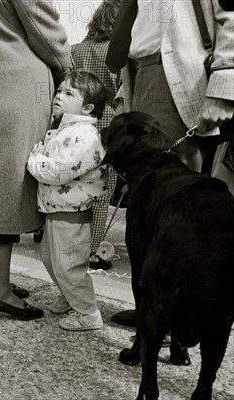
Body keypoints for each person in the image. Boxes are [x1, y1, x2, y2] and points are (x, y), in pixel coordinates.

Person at [106, 0, 234, 327]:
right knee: (145, 213)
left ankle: (173, 316)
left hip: (178, 76)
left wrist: (224, 83)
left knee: (176, 214)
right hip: (143, 72)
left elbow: (228, 14)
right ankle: (154, 309)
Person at [0, 0, 71, 320]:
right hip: (13, 85)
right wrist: (69, 69)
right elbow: (42, 25)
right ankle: (1, 292)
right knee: (6, 188)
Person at [28, 71, 109, 331]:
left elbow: (58, 171)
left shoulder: (83, 135)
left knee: (69, 265)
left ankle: (88, 314)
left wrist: (34, 160)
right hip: (58, 210)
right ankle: (70, 294)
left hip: (72, 213)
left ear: (87, 107)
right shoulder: (66, 129)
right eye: (59, 90)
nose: (59, 96)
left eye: (68, 93)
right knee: (52, 259)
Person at [71, 0, 122, 270]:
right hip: (108, 123)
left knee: (77, 186)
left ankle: (69, 242)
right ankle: (92, 251)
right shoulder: (117, 51)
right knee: (102, 191)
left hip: (78, 122)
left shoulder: (76, 50)